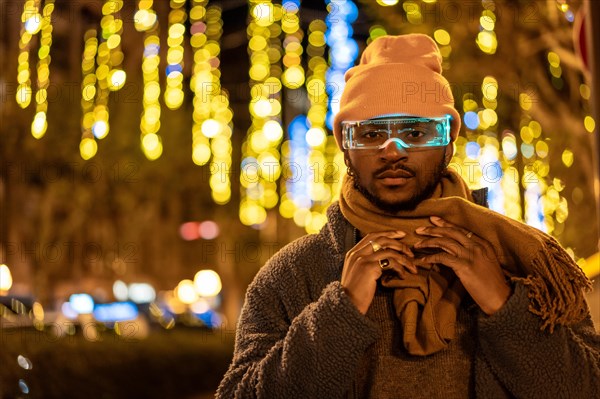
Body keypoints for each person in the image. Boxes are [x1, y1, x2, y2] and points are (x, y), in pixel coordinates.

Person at [216, 34, 599, 398]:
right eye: (369, 134)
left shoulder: (521, 259)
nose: (392, 151)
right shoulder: (298, 272)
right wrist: (341, 310)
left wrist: (504, 302)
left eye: (416, 133)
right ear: (345, 149)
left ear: (448, 143)